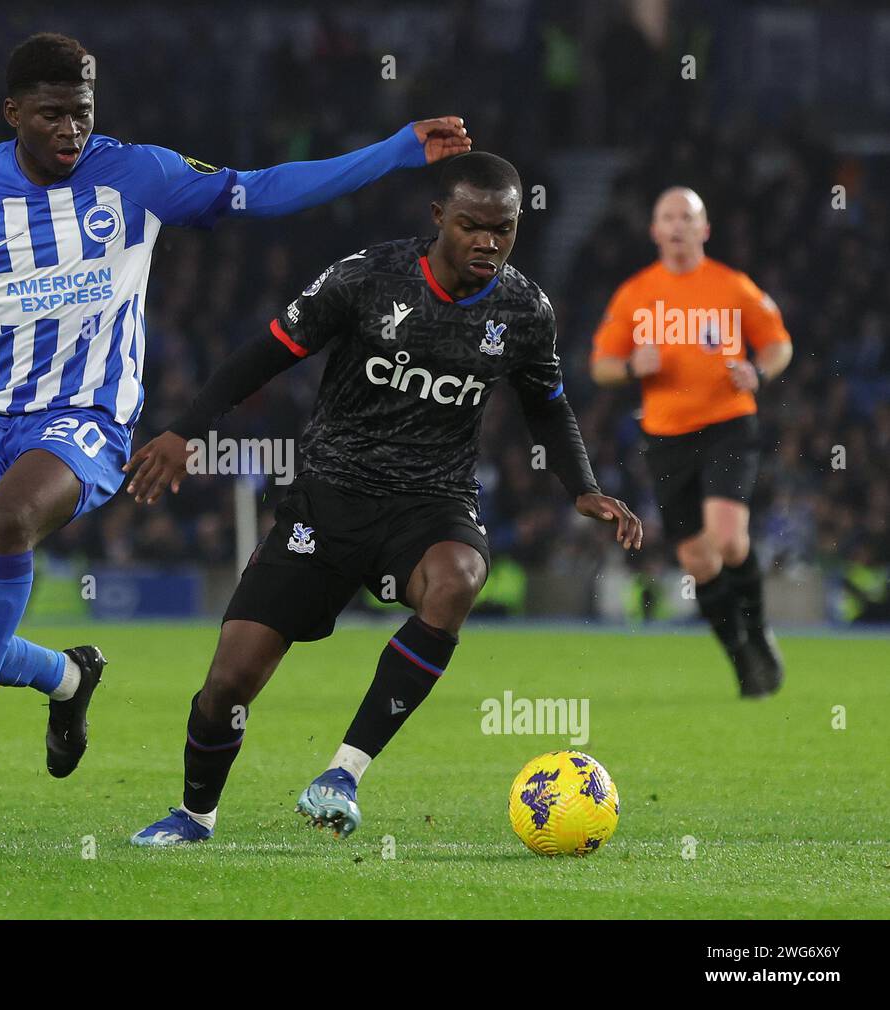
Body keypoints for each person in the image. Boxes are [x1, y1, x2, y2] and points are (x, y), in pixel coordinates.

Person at [0, 32, 473, 796]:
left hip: (85, 420)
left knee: (9, 520)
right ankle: (67, 677)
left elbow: (259, 189)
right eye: (52, 115)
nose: (71, 130)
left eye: (83, 113)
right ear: (13, 113)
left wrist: (393, 150)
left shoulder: (139, 173)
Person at [125, 151, 641, 845]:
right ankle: (194, 816)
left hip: (431, 505)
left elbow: (547, 404)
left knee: (458, 578)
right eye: (472, 226)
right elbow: (266, 353)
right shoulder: (368, 278)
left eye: (504, 228)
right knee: (229, 685)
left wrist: (583, 488)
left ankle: (342, 773)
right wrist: (186, 431)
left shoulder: (524, 310)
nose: (488, 241)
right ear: (438, 219)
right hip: (328, 502)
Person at [590, 187, 793, 697]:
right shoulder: (635, 294)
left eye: (687, 217)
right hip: (666, 437)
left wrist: (759, 373)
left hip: (728, 423)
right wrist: (633, 366)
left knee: (728, 539)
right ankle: (741, 656)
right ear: (655, 231)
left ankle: (759, 631)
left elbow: (778, 344)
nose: (677, 226)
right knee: (698, 561)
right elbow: (601, 365)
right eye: (667, 217)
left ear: (704, 230)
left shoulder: (733, 286)